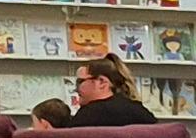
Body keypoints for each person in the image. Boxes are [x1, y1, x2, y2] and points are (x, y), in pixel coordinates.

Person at [28, 54, 157, 128]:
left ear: (102, 82)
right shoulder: (141, 112)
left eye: (80, 82)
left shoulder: (89, 115)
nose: (76, 89)